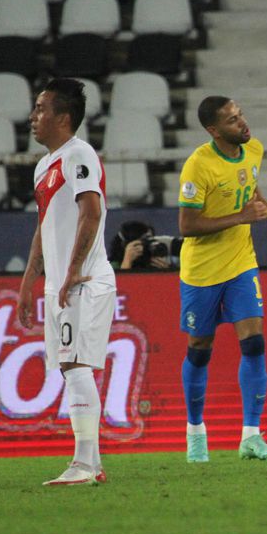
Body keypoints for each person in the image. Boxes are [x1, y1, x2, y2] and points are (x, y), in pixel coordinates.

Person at [176, 95, 267, 462]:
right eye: (232, 120)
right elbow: (187, 225)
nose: (242, 123)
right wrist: (240, 218)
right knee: (200, 348)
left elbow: (250, 188)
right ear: (214, 130)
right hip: (202, 271)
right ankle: (196, 432)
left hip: (241, 263)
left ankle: (251, 436)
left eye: (241, 115)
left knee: (254, 343)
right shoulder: (198, 166)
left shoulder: (253, 149)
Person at [16, 78, 116, 486]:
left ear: (63, 117)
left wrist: (73, 269)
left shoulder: (79, 154)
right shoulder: (45, 165)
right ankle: (91, 464)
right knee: (68, 367)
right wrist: (29, 281)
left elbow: (91, 211)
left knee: (75, 366)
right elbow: (44, 226)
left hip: (84, 279)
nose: (33, 117)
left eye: (41, 109)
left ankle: (84, 464)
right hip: (59, 283)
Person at [109, 219, 177, 270]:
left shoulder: (154, 261)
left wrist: (167, 272)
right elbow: (119, 284)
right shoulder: (112, 266)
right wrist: (127, 262)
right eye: (145, 240)